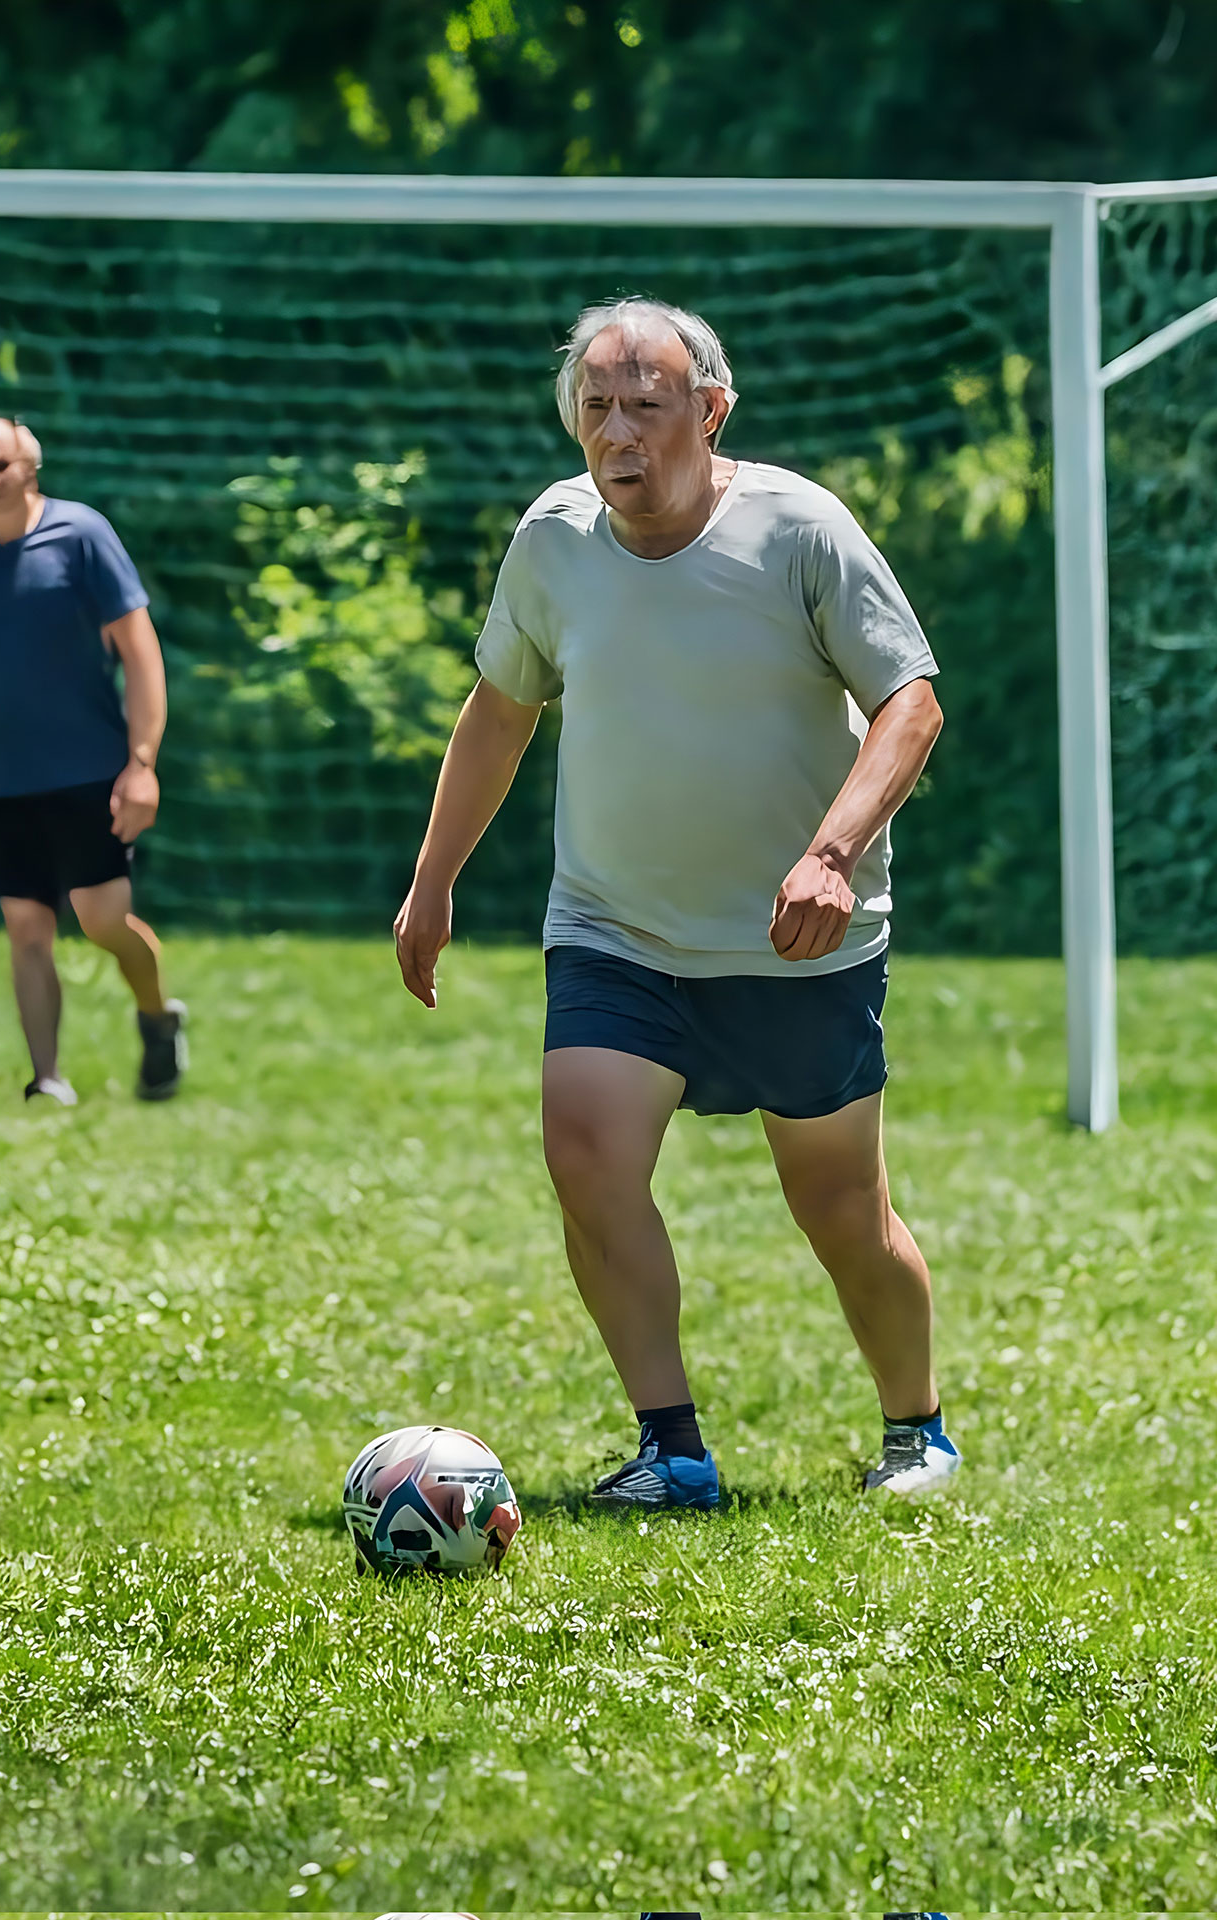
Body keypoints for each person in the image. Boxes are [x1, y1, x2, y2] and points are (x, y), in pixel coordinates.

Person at [393, 297, 958, 1509]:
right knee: (585, 1154)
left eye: (645, 406)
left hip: (796, 939)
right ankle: (673, 1450)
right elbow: (501, 707)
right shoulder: (553, 542)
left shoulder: (800, 529)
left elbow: (910, 702)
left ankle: (918, 1430)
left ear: (710, 411)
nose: (617, 432)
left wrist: (833, 852)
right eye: (595, 408)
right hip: (614, 929)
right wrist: (435, 876)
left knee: (842, 1214)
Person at [0, 418, 187, 1105]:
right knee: (26, 928)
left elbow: (140, 648)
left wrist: (142, 762)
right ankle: (48, 1080)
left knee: (101, 921)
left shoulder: (82, 534)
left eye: (3, 464)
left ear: (31, 468)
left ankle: (157, 1014)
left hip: (88, 772)